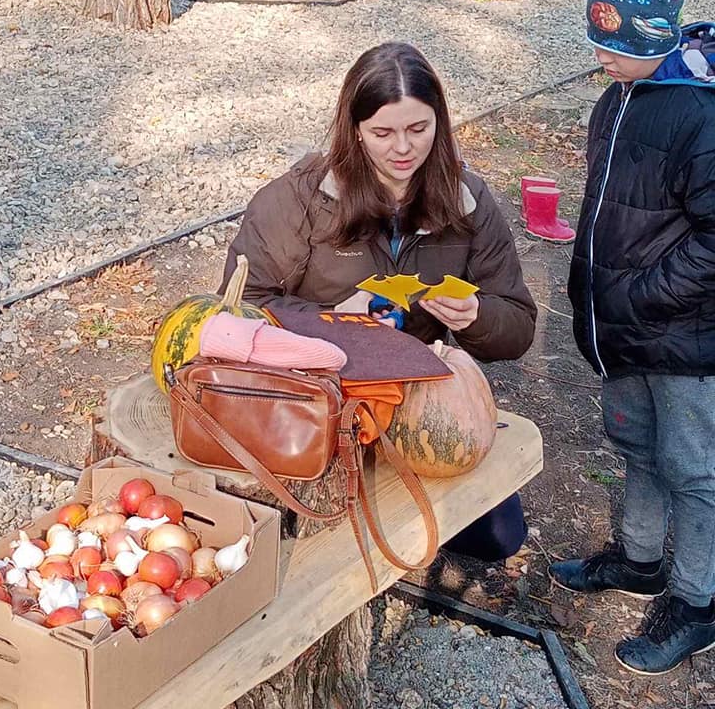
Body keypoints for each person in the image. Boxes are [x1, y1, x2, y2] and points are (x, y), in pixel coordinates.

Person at [219, 41, 537, 560]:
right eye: (383, 133)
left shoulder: (466, 199)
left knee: (499, 538)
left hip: (414, 392)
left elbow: (519, 323)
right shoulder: (299, 198)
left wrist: (478, 316)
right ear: (355, 129)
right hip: (318, 392)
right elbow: (236, 308)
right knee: (303, 540)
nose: (403, 149)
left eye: (419, 129)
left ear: (440, 122)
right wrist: (329, 321)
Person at [550, 0, 715, 676]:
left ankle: (698, 601)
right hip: (620, 328)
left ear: (655, 37)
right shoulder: (614, 98)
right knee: (637, 451)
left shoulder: (697, 116)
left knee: (694, 469)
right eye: (597, 39)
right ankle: (641, 559)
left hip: (682, 341)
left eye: (614, 43)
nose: (599, 55)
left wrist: (644, 295)